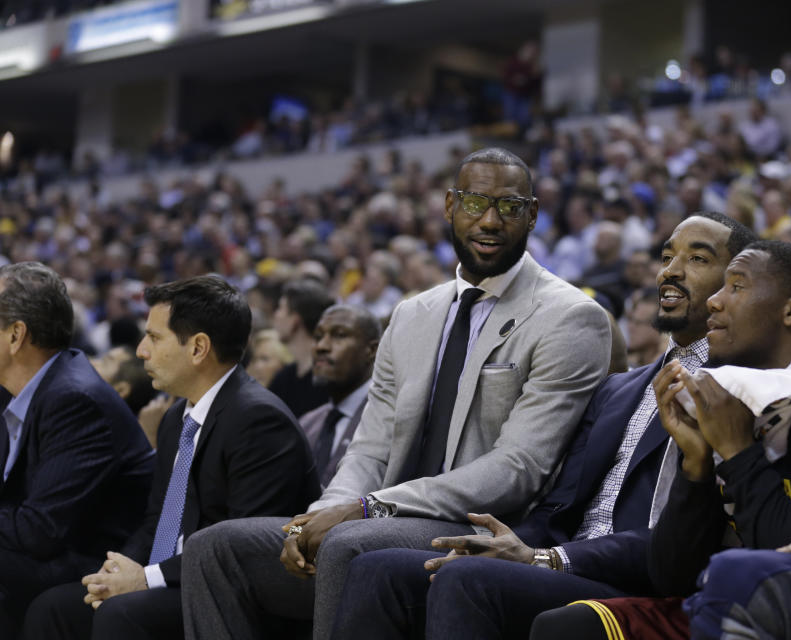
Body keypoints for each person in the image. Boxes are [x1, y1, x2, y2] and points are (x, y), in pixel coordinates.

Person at [180, 147, 613, 640]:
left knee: (347, 543)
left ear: (532, 214)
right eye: (475, 203)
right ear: (450, 206)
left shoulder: (569, 317)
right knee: (215, 548)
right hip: (380, 517)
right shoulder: (412, 315)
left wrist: (368, 508)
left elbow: (519, 467)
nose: (490, 220)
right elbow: (369, 447)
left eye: (509, 207)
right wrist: (318, 519)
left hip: (481, 527)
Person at [328, 212, 756, 640]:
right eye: (667, 256)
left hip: (635, 579)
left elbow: (679, 536)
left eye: (698, 259)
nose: (671, 271)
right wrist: (505, 544)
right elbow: (557, 505)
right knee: (377, 567)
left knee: (468, 581)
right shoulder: (617, 390)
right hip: (562, 560)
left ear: (737, 286)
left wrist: (547, 558)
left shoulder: (735, 391)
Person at [531, 241, 791, 640]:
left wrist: (738, 450)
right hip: (736, 596)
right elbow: (671, 576)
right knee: (568, 625)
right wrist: (697, 464)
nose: (715, 303)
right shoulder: (733, 396)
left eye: (736, 287)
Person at [20, 275, 319, 640]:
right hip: (175, 580)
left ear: (198, 348)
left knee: (122, 614)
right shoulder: (176, 418)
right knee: (53, 608)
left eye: (154, 337)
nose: (141, 350)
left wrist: (145, 579)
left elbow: (241, 550)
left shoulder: (258, 421)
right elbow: (156, 520)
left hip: (232, 595)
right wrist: (118, 571)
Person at [0, 262, 155, 636]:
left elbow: (40, 531)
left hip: (94, 564)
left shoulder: (73, 399)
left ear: (16, 335)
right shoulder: (25, 388)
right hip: (44, 549)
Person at [299, 304, 380, 488]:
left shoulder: (388, 419)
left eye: (339, 335)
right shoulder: (307, 423)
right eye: (318, 337)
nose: (322, 346)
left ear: (372, 350)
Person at [269, 278, 333, 418]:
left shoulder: (329, 380)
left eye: (280, 308)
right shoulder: (284, 377)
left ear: (295, 320)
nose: (276, 315)